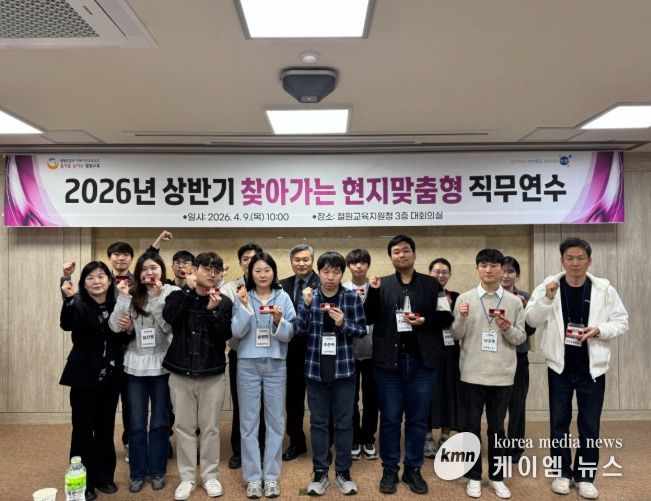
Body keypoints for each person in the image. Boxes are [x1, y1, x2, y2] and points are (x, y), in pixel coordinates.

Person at [525, 238, 628, 500]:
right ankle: (561, 473)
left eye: (580, 258)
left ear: (589, 261)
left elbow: (621, 322)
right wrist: (547, 298)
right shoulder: (549, 286)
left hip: (592, 369)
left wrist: (599, 329)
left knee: (589, 425)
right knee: (559, 423)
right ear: (562, 261)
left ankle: (585, 477)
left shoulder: (604, 289)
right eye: (569, 258)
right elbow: (531, 320)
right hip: (559, 367)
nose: (575, 263)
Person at [364, 235, 453, 495]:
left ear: (414, 254)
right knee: (390, 419)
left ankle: (413, 469)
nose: (401, 255)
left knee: (417, 420)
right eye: (396, 252)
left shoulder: (431, 284)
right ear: (390, 257)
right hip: (388, 364)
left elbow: (446, 317)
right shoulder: (381, 284)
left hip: (422, 363)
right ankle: (390, 469)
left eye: (405, 251)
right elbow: (368, 317)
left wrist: (425, 321)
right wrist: (373, 293)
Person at [452, 248, 526, 500]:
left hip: (502, 376)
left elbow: (520, 337)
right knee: (471, 427)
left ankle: (496, 477)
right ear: (477, 269)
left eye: (494, 265)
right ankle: (473, 476)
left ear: (502, 269)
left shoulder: (514, 302)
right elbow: (456, 334)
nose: (489, 270)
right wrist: (461, 318)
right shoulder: (465, 299)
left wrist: (507, 329)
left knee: (497, 429)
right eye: (483, 265)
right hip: (472, 374)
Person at [295, 252, 367, 496]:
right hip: (315, 371)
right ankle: (320, 473)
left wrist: (343, 323)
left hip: (344, 372)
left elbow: (361, 331)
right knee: (318, 424)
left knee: (344, 424)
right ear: (319, 273)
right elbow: (299, 330)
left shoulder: (351, 297)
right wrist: (305, 306)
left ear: (342, 274)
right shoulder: (310, 296)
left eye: (336, 271)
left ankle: (343, 472)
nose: (330, 276)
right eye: (325, 271)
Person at [163, 252, 233, 500]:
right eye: (207, 269)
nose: (212, 274)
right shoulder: (177, 296)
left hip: (211, 374)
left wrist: (212, 312)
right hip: (181, 372)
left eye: (216, 270)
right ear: (194, 270)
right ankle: (187, 478)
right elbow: (169, 317)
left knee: (210, 428)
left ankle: (210, 476)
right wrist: (189, 292)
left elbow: (224, 335)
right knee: (184, 428)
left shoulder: (224, 302)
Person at [60, 261, 132, 501]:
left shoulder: (119, 304)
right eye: (90, 278)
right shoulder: (78, 303)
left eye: (101, 276)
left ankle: (104, 477)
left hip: (110, 377)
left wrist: (129, 329)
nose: (96, 281)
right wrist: (67, 296)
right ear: (84, 283)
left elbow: (123, 339)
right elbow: (66, 324)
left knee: (105, 428)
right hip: (83, 376)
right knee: (82, 429)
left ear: (109, 281)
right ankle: (85, 482)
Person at [108, 252, 180, 492]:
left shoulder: (170, 293)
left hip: (162, 364)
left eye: (154, 268)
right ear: (138, 273)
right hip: (135, 365)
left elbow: (168, 327)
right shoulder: (131, 294)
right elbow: (114, 326)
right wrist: (122, 298)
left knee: (160, 422)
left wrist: (158, 299)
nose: (150, 272)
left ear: (162, 271)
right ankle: (137, 474)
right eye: (145, 269)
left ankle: (157, 471)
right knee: (137, 423)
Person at [231, 252, 296, 499]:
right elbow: (236, 331)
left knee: (275, 422)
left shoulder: (283, 297)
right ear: (250, 273)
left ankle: (270, 477)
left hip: (276, 364)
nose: (262, 274)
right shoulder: (243, 295)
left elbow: (290, 333)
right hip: (247, 363)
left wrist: (279, 321)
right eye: (257, 270)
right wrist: (244, 306)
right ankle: (252, 478)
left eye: (267, 270)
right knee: (248, 422)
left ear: (274, 272)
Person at [220, 243, 265, 470]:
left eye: (254, 258)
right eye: (245, 258)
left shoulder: (268, 287)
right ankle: (239, 450)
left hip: (266, 355)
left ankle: (262, 448)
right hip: (241, 354)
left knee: (264, 405)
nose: (250, 262)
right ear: (240, 262)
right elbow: (227, 322)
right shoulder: (230, 288)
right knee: (241, 405)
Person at [279, 244, 320, 461]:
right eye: (297, 259)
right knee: (293, 399)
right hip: (291, 351)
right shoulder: (282, 285)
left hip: (317, 350)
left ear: (312, 261)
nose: (301, 263)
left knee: (319, 400)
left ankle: (323, 442)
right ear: (291, 262)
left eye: (306, 259)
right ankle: (296, 440)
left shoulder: (323, 282)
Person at [424, 257, 463, 457]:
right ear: (429, 273)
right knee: (429, 394)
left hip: (450, 352)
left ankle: (446, 436)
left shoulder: (456, 297)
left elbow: (461, 324)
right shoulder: (422, 295)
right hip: (428, 351)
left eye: (444, 272)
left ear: (449, 275)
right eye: (436, 272)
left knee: (450, 393)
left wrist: (451, 308)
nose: (440, 275)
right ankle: (427, 437)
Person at [343, 249, 378, 461]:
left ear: (368, 265)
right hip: (349, 354)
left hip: (374, 353)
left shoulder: (376, 287)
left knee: (372, 399)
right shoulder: (343, 289)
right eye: (354, 263)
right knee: (351, 399)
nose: (358, 266)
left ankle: (368, 439)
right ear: (349, 266)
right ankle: (355, 439)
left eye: (363, 262)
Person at [500, 256, 535, 463]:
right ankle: (497, 444)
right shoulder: (490, 296)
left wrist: (524, 309)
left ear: (517, 275)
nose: (505, 275)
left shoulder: (526, 297)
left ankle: (515, 448)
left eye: (510, 271)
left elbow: (531, 329)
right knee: (496, 406)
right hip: (495, 357)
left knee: (517, 405)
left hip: (519, 356)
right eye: (502, 271)